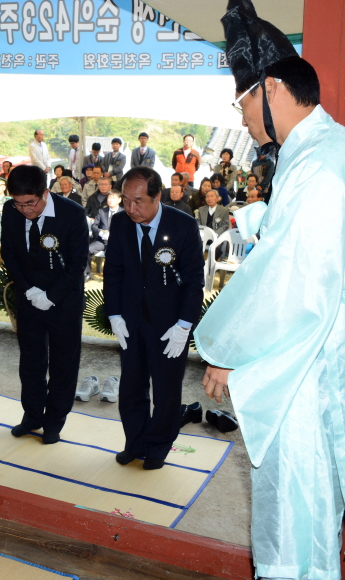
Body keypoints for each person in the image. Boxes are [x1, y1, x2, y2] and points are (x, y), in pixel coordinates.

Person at [197, 0, 345, 580]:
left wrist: (229, 353)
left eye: (242, 100)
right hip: (324, 336)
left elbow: (293, 280)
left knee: (299, 510)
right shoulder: (314, 154)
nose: (239, 117)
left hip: (315, 350)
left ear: (273, 90)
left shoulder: (320, 162)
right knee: (307, 500)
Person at [104, 166, 204, 470]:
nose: (131, 209)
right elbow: (113, 272)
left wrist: (184, 325)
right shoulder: (120, 222)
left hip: (169, 324)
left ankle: (158, 445)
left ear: (157, 196)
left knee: (166, 389)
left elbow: (193, 281)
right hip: (131, 321)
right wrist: (115, 314)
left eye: (138, 201)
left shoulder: (184, 226)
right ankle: (134, 442)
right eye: (125, 200)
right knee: (131, 386)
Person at [1, 165, 88, 444]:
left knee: (63, 363)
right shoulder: (9, 210)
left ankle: (54, 421)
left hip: (63, 301)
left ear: (45, 193)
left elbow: (77, 264)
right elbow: (10, 254)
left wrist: (50, 295)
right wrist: (29, 291)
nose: (25, 210)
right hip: (29, 300)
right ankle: (32, 415)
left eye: (30, 203)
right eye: (18, 203)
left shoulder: (72, 213)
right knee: (31, 362)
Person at [88, 190, 124, 257]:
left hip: (116, 242)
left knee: (111, 254)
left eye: (113, 198)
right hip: (101, 241)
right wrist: (101, 233)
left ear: (119, 200)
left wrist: (112, 235)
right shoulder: (102, 211)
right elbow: (94, 226)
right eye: (109, 198)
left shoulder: (123, 213)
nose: (110, 200)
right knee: (87, 250)